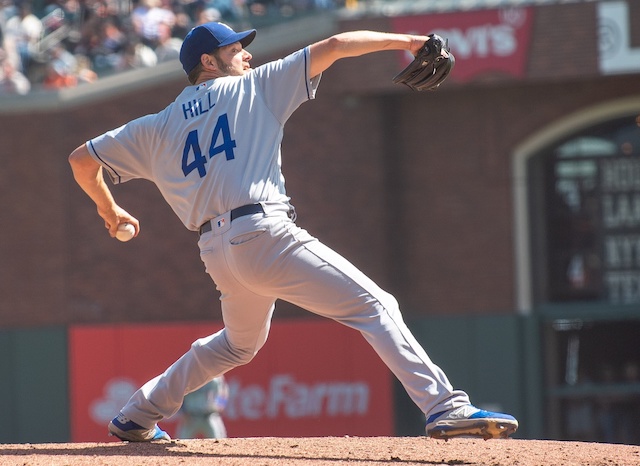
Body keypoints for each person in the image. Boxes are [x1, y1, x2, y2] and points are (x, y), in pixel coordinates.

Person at [68, 22, 519, 442]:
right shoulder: (254, 85)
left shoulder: (157, 125)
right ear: (209, 61)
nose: (246, 56)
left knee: (236, 345)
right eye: (236, 49)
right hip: (264, 234)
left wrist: (111, 212)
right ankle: (445, 406)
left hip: (216, 251)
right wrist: (409, 42)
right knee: (376, 304)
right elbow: (337, 46)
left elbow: (80, 161)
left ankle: (139, 414)